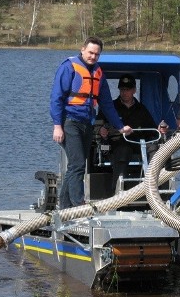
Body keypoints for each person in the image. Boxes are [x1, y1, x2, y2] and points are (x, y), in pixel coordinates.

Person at [50, 37, 132, 208]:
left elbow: (107, 104)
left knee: (76, 165)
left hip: (87, 123)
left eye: (97, 54)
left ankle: (64, 208)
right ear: (82, 50)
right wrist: (57, 125)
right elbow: (56, 98)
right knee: (78, 163)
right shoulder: (69, 67)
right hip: (69, 122)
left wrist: (119, 126)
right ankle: (79, 205)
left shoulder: (98, 73)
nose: (93, 57)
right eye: (90, 52)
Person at [98, 74, 168, 192]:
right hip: (118, 143)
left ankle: (155, 189)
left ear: (134, 90)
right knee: (123, 150)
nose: (125, 92)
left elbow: (152, 130)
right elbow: (98, 124)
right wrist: (101, 130)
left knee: (154, 149)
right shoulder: (110, 108)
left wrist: (160, 129)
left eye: (128, 89)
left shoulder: (141, 109)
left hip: (139, 143)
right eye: (122, 90)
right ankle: (118, 191)